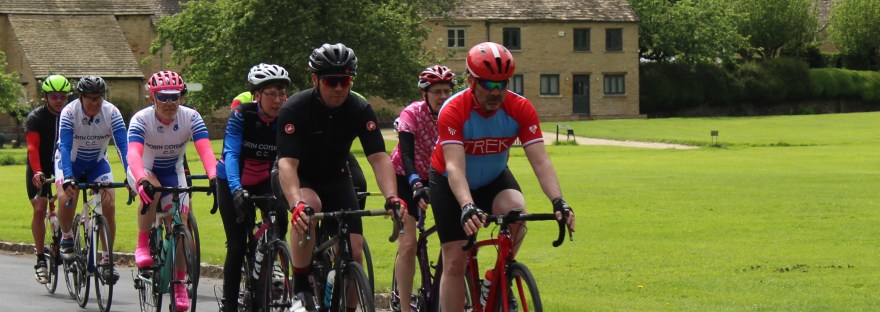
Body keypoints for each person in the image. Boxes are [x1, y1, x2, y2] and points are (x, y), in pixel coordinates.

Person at [429, 42, 576, 312]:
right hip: (450, 183)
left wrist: (558, 201)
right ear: (471, 81)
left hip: (493, 178)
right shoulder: (453, 109)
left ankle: (496, 279)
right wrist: (466, 205)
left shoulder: (520, 108)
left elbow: (541, 160)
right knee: (455, 261)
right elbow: (455, 167)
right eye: (489, 84)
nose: (496, 92)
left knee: (517, 213)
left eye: (503, 84)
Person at [273, 42, 407, 307]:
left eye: (344, 81)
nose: (338, 88)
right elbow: (287, 163)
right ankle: (300, 287)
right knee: (310, 207)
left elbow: (379, 158)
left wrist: (392, 196)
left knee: (354, 252)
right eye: (331, 81)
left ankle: (348, 305)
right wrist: (296, 203)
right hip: (300, 177)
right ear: (315, 79)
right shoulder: (295, 108)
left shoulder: (359, 108)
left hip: (336, 177)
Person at [127, 70, 218, 312]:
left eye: (174, 97)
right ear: (152, 98)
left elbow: (206, 151)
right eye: (163, 97)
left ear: (181, 97)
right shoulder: (141, 119)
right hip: (144, 169)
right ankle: (142, 244)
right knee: (153, 188)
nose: (169, 103)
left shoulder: (191, 117)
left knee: (181, 224)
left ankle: (179, 284)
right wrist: (139, 179)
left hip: (174, 171)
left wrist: (213, 176)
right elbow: (134, 154)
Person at [216, 63, 291, 312]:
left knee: (280, 217)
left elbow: (290, 158)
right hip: (232, 180)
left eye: (282, 93)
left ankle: (272, 257)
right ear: (257, 96)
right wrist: (237, 189)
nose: (278, 100)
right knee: (237, 245)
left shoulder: (287, 118)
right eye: (272, 94)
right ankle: (229, 304)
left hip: (265, 179)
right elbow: (231, 154)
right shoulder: (242, 115)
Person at [389, 65, 456, 312]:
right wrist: (416, 183)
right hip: (404, 175)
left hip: (439, 176)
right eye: (436, 91)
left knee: (456, 239)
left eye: (447, 91)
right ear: (424, 94)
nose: (442, 96)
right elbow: (406, 154)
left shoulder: (456, 113)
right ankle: (405, 307)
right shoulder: (412, 113)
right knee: (408, 245)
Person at [54, 75, 129, 284]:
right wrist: (68, 177)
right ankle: (67, 236)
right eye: (90, 98)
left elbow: (124, 147)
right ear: (81, 97)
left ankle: (106, 260)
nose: (95, 103)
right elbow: (66, 147)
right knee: (66, 197)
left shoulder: (112, 113)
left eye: (99, 98)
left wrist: (131, 176)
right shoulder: (69, 112)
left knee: (109, 205)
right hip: (70, 162)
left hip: (97, 163)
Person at [25, 74, 71, 284]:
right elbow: (32, 148)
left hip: (63, 165)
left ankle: (68, 238)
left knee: (68, 200)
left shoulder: (71, 116)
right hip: (40, 166)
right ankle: (40, 258)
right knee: (40, 208)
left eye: (63, 96)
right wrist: (37, 171)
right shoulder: (36, 117)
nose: (59, 100)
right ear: (45, 97)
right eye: (54, 96)